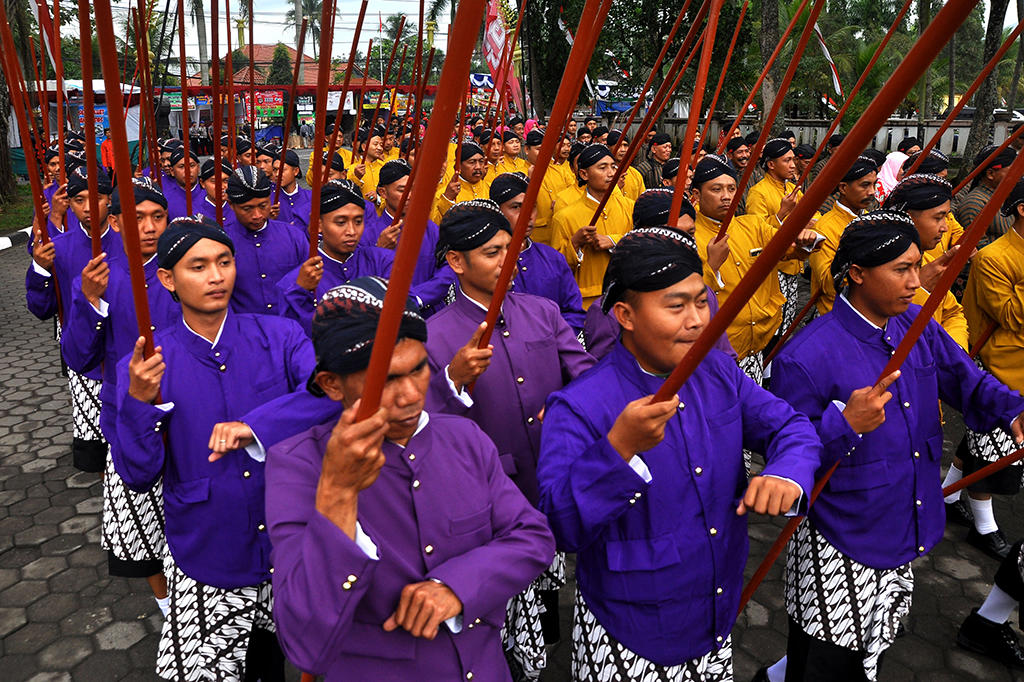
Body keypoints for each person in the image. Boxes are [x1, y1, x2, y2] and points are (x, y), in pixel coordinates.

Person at [537, 226, 823, 682]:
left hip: (716, 608)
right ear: (626, 315)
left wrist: (787, 474)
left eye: (700, 301)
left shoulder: (716, 373)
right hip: (629, 630)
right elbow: (559, 526)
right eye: (676, 306)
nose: (697, 320)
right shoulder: (580, 404)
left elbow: (790, 426)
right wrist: (619, 449)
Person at [766, 210, 1024, 682]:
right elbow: (786, 458)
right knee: (826, 665)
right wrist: (843, 423)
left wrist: (1013, 409)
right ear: (858, 273)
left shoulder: (917, 323)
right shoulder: (804, 357)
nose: (915, 280)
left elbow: (966, 381)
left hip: (908, 516)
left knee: (871, 652)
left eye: (915, 265)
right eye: (901, 269)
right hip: (841, 535)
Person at [264, 276, 556, 681]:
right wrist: (338, 495)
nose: (409, 396)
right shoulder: (297, 466)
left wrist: (458, 586)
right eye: (384, 380)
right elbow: (304, 642)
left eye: (418, 369)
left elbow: (532, 537)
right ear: (332, 384)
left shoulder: (466, 437)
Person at [115, 216, 318, 682]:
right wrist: (138, 406)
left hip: (290, 536)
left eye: (224, 262)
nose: (215, 277)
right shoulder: (142, 366)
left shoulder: (280, 336)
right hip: (208, 547)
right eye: (198, 266)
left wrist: (255, 426)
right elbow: (138, 472)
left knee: (287, 658)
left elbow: (327, 395)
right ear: (167, 278)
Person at [426, 200, 594, 674]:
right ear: (456, 262)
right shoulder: (435, 336)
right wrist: (451, 380)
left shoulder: (542, 312)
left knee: (547, 602)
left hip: (553, 478)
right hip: (489, 500)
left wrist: (567, 406)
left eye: (511, 248)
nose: (508, 261)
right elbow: (423, 428)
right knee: (503, 616)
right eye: (492, 252)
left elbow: (586, 376)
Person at [60, 177, 174, 614]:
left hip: (189, 416)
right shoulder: (100, 274)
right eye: (137, 218)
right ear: (118, 221)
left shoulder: (185, 269)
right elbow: (77, 355)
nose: (148, 227)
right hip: (127, 419)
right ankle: (167, 608)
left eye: (157, 217)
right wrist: (89, 301)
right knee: (140, 527)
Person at [26, 166, 122, 473]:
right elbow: (42, 308)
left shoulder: (133, 246)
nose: (88, 208)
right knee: (95, 447)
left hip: (126, 358)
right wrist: (40, 269)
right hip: (87, 363)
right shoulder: (60, 248)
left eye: (97, 199)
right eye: (79, 200)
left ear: (111, 199)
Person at [689, 155, 818, 379]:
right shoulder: (688, 238)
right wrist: (712, 267)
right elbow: (686, 298)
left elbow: (786, 246)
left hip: (755, 347)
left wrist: (805, 241)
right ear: (697, 195)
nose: (726, 196)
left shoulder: (753, 225)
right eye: (716, 189)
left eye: (731, 189)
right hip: (713, 353)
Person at [950, 180, 1024, 561]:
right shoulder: (995, 257)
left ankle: (945, 494)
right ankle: (984, 528)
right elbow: (1011, 316)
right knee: (993, 455)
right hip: (1001, 367)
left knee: (982, 438)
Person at [583, 188, 737, 362]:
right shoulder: (609, 310)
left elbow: (725, 360)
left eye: (690, 234)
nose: (683, 243)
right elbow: (604, 375)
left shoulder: (706, 295)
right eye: (669, 234)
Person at [277, 179, 394, 333]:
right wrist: (300, 292)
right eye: (341, 222)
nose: (352, 231)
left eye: (358, 221)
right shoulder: (295, 283)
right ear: (318, 225)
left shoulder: (383, 261)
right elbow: (296, 338)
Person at [489, 173, 586, 333]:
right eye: (516, 207)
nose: (528, 215)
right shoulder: (483, 264)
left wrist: (553, 342)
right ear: (497, 211)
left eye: (532, 206)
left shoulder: (553, 259)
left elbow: (574, 312)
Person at [746, 139, 819, 331]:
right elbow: (755, 232)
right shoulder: (758, 193)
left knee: (786, 324)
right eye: (787, 160)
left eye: (793, 160)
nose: (793, 165)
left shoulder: (791, 189)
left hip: (793, 265)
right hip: (773, 268)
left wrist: (812, 223)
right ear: (771, 164)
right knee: (772, 325)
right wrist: (781, 214)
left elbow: (812, 212)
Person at [550, 144, 635, 310]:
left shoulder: (630, 207)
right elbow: (555, 270)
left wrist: (613, 240)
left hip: (625, 297)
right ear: (584, 174)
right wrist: (575, 244)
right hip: (585, 303)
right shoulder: (565, 217)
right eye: (602, 168)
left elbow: (645, 245)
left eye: (613, 167)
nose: (611, 173)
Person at [365, 159, 454, 314]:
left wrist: (419, 297)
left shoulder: (430, 229)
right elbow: (360, 281)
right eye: (402, 191)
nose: (410, 195)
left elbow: (450, 267)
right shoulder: (368, 234)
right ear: (383, 192)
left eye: (413, 189)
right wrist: (379, 251)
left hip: (429, 313)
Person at [223, 166, 309, 315]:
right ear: (231, 205)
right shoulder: (220, 243)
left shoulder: (294, 237)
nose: (257, 215)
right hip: (244, 332)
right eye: (247, 208)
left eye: (263, 206)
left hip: (289, 331)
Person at [809, 155, 878, 315]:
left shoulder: (871, 220)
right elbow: (828, 285)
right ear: (843, 188)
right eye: (865, 185)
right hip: (836, 314)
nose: (872, 192)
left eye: (874, 184)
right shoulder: (825, 228)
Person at [956, 145, 1017, 250]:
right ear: (990, 174)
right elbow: (979, 249)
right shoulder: (974, 204)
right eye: (1010, 172)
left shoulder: (1006, 196)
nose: (1017, 176)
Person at [432, 142, 491, 223]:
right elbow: (435, 227)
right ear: (458, 166)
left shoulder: (491, 188)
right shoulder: (442, 195)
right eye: (472, 162)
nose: (478, 167)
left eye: (481, 161)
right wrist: (448, 200)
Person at [272, 150, 313, 230]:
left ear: (296, 171)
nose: (277, 174)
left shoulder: (311, 198)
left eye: (282, 170)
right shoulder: (269, 201)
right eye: (274, 170)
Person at [163, 146, 204, 221]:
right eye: (181, 167)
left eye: (192, 166)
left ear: (198, 168)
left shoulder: (210, 195)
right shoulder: (165, 199)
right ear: (172, 171)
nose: (188, 171)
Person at [607, 130, 646, 200]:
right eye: (618, 146)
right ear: (608, 148)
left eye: (625, 145)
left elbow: (643, 201)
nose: (623, 150)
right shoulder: (605, 174)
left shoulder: (635, 174)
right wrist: (616, 187)